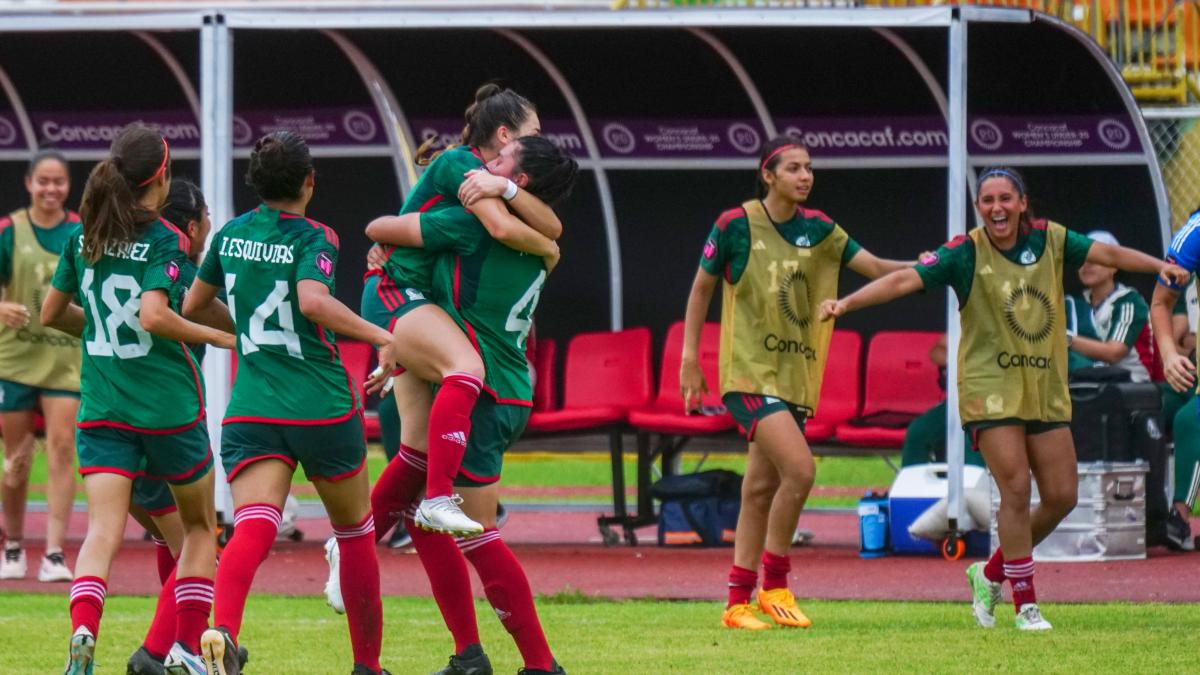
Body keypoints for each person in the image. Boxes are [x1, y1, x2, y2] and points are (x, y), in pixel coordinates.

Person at [822, 166, 1188, 631]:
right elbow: (903, 281)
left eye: (1004, 199)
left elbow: (1110, 252)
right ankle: (1026, 604)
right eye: (987, 201)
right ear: (980, 209)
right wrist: (846, 305)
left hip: (1043, 388)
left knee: (1061, 496)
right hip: (989, 391)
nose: (996, 208)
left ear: (1021, 203)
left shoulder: (1052, 239)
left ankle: (990, 572)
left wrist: (1160, 266)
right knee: (1014, 489)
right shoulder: (964, 251)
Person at [182, 130, 395, 675]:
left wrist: (244, 333)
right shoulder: (316, 236)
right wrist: (381, 337)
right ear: (308, 182)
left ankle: (223, 629)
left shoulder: (229, 235)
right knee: (354, 533)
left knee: (254, 522)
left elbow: (193, 304)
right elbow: (312, 301)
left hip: (252, 407)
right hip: (320, 404)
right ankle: (367, 666)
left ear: (256, 182)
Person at [362, 134, 577, 675]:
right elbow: (544, 233)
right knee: (429, 520)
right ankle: (470, 656)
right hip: (506, 392)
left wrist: (387, 252)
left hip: (483, 396)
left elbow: (381, 230)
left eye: (500, 162)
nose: (485, 166)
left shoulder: (470, 229)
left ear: (519, 183)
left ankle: (540, 664)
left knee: (477, 538)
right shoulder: (544, 246)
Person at [680, 135, 913, 631]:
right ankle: (777, 584)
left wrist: (931, 268)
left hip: (794, 378)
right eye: (793, 168)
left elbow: (873, 268)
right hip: (747, 374)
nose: (805, 176)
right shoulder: (735, 224)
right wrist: (689, 358)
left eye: (809, 168)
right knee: (801, 472)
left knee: (759, 489)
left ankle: (736, 603)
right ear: (768, 174)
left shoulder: (821, 228)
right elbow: (701, 288)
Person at [40, 124, 234, 674]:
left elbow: (52, 313)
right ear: (161, 176)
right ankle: (186, 651)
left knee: (102, 531)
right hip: (168, 410)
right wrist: (218, 337)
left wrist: (101, 331)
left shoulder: (84, 237)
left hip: (103, 408)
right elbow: (153, 315)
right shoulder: (165, 239)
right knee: (200, 533)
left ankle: (83, 632)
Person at [367, 83, 562, 540]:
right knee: (466, 369)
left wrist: (510, 190)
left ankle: (349, 546)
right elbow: (501, 225)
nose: (537, 140)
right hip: (398, 293)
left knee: (415, 450)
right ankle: (436, 500)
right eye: (530, 132)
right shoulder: (461, 164)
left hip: (425, 304)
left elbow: (554, 225)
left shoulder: (492, 178)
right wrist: (549, 250)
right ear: (503, 134)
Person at [0, 150, 81, 583]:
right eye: (43, 181)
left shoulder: (82, 233)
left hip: (64, 362)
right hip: (14, 361)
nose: (51, 189)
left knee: (62, 450)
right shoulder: (9, 232)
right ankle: (13, 545)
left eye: (59, 182)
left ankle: (53, 552)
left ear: (68, 186)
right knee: (15, 459)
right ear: (29, 182)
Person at [1150, 209, 1200, 552]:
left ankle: (1180, 515)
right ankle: (1168, 515)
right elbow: (1160, 301)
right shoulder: (1196, 231)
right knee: (1179, 414)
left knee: (1190, 417)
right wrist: (1169, 355)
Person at [1065, 230, 1152, 382]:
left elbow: (1114, 352)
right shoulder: (1074, 305)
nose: (1087, 264)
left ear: (1114, 266)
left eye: (1095, 259)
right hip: (1088, 382)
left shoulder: (1129, 300)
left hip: (1131, 385)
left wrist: (1064, 339)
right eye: (1082, 258)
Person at [900, 336, 985, 469]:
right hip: (957, 401)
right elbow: (936, 352)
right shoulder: (966, 322)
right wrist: (958, 362)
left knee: (971, 433)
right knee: (918, 431)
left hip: (993, 403)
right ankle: (912, 488)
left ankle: (971, 487)